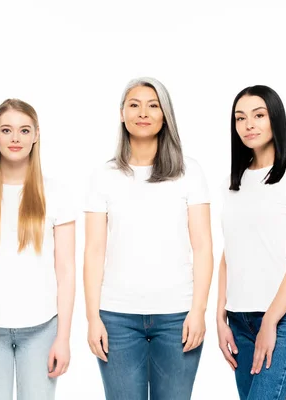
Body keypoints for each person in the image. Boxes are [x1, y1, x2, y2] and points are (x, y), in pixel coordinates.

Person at [84, 77, 213, 400]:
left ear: (165, 115)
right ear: (122, 113)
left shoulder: (190, 172)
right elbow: (93, 252)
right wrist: (92, 318)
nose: (144, 113)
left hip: (177, 317)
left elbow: (203, 247)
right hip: (117, 318)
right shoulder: (104, 176)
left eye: (153, 105)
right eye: (135, 105)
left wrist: (198, 311)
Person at [0, 99, 76, 399]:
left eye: (23, 130)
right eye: (7, 130)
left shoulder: (56, 194)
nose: (15, 138)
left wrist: (63, 338)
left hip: (43, 328)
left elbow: (66, 271)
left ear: (36, 135)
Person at [216, 85, 286, 399]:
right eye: (240, 117)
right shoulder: (233, 183)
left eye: (258, 115)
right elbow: (228, 253)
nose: (249, 124)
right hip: (238, 322)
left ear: (275, 119)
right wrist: (219, 316)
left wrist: (270, 321)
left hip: (283, 320)